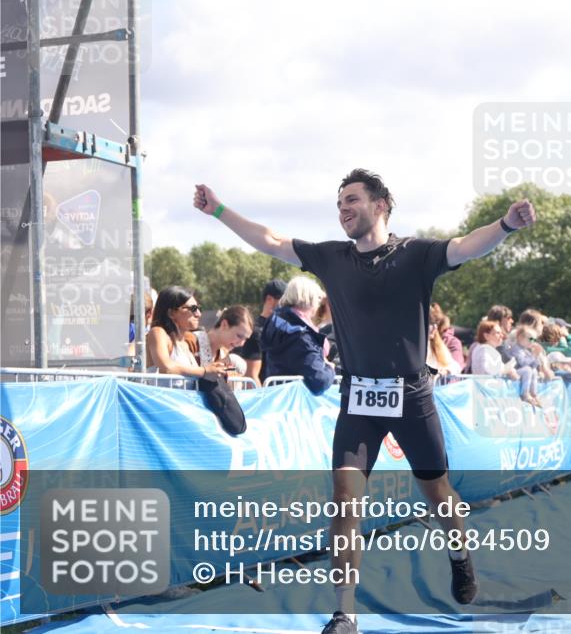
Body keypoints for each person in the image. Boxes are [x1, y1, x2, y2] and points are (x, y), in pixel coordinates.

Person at [194, 169, 536, 634]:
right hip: (358, 398)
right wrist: (218, 209)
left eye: (351, 200)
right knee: (345, 500)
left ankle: (460, 554)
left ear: (381, 205)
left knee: (437, 494)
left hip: (412, 396)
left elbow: (466, 246)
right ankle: (346, 613)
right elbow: (271, 239)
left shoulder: (417, 253)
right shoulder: (331, 258)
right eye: (338, 204)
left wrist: (506, 225)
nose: (342, 210)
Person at [260, 276, 337, 395]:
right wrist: (329, 369)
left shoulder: (274, 322)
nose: (317, 306)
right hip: (296, 404)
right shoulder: (302, 337)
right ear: (310, 301)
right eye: (317, 301)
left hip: (275, 396)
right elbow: (319, 381)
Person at [146, 286, 228, 378]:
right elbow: (166, 368)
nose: (198, 314)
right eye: (193, 308)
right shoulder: (158, 333)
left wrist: (213, 368)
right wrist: (204, 370)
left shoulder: (185, 344)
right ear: (171, 313)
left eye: (198, 308)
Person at [232, 279, 287, 386]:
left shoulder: (283, 329)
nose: (287, 306)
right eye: (284, 301)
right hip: (265, 396)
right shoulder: (255, 332)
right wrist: (262, 400)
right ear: (269, 299)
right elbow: (251, 375)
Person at [186, 305, 254, 376]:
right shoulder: (191, 340)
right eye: (239, 336)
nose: (242, 343)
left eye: (245, 339)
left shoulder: (224, 353)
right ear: (224, 325)